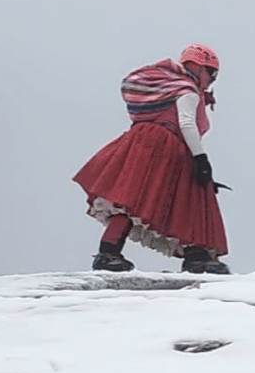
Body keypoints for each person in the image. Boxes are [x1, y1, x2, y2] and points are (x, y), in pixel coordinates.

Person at [73, 44, 229, 274]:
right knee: (188, 194)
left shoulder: (167, 85)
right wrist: (201, 159)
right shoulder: (186, 91)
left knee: (133, 198)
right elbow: (186, 123)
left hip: (142, 141)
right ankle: (198, 255)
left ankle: (109, 251)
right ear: (198, 67)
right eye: (211, 73)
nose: (212, 80)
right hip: (166, 145)